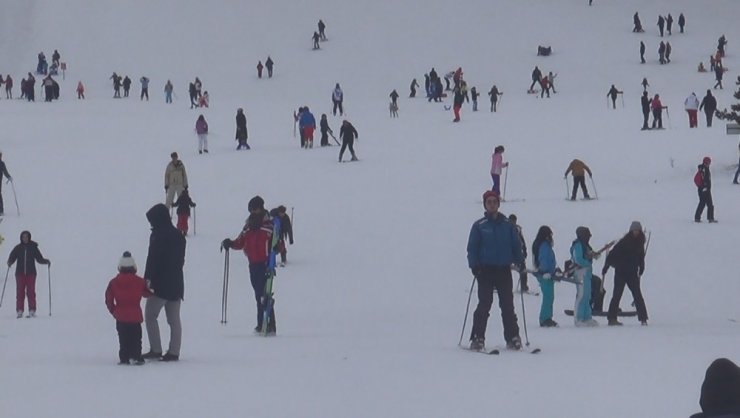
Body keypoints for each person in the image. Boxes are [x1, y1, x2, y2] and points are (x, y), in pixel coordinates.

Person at [467, 190, 524, 351]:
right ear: (485, 205)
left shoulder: (507, 225)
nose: (492, 204)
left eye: (494, 201)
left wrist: (520, 260)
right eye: (489, 202)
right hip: (485, 271)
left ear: (498, 204)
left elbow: (516, 245)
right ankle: (477, 338)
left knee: (507, 305)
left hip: (503, 270)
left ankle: (513, 337)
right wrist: (474, 265)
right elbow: (472, 248)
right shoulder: (479, 226)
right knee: (484, 304)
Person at [222, 196, 276, 334]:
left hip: (265, 264)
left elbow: (277, 244)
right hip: (253, 265)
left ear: (261, 208)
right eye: (251, 210)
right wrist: (230, 243)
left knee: (264, 294)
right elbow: (240, 242)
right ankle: (261, 323)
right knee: (259, 295)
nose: (253, 212)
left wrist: (274, 256)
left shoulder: (268, 226)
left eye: (255, 209)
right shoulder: (248, 226)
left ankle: (269, 324)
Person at [143, 203, 186, 362]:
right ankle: (174, 351)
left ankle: (156, 349)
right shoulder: (178, 235)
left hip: (161, 285)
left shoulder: (157, 236)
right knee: (174, 319)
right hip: (177, 282)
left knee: (150, 315)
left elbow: (152, 260)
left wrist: (147, 278)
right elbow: (181, 261)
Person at [105, 251, 150, 365]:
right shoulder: (140, 281)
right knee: (136, 338)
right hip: (135, 316)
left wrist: (113, 310)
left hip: (121, 316)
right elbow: (147, 293)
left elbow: (108, 299)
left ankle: (124, 357)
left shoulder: (114, 282)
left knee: (123, 339)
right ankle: (136, 356)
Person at [602, 222, 647, 326]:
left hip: (632, 273)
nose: (635, 232)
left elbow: (641, 257)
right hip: (621, 272)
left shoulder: (640, 243)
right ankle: (611, 318)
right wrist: (606, 267)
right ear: (631, 231)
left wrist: (642, 267)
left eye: (637, 231)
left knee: (637, 296)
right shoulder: (624, 242)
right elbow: (611, 256)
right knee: (617, 295)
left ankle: (643, 318)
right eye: (634, 230)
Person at [7, 231, 50, 318]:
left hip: (31, 273)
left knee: (31, 292)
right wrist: (10, 262)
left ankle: (32, 310)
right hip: (20, 273)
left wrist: (46, 261)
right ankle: (20, 310)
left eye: (26, 237)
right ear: (21, 238)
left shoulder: (33, 247)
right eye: (23, 237)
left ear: (29, 237)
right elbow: (12, 256)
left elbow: (39, 258)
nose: (25, 238)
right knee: (20, 292)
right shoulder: (18, 248)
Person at [570, 227, 599, 326]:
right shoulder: (578, 245)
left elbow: (589, 254)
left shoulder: (586, 245)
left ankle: (587, 317)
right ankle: (578, 318)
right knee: (581, 296)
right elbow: (578, 259)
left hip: (587, 273)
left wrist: (594, 255)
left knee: (587, 295)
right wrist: (587, 263)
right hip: (580, 273)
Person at [532, 226, 557, 327]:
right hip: (544, 274)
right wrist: (545, 271)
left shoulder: (540, 243)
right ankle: (545, 318)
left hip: (546, 274)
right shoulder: (543, 245)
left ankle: (547, 317)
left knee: (549, 297)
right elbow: (544, 259)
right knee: (548, 297)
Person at [508, 214, 529, 293]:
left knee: (523, 269)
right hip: (508, 253)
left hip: (517, 253)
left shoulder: (518, 229)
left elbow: (522, 241)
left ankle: (524, 286)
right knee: (503, 270)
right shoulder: (505, 228)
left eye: (514, 221)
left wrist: (524, 250)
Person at [695, 157, 716, 223]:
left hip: (703, 189)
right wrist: (705, 187)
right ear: (706, 162)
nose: (710, 163)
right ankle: (710, 218)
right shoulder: (704, 169)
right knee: (708, 204)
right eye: (709, 162)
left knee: (703, 203)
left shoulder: (703, 168)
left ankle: (698, 218)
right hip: (704, 189)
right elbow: (705, 180)